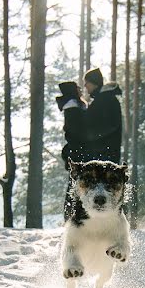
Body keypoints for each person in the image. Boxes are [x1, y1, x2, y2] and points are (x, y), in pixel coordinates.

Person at [56, 81, 88, 221]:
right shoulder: (73, 108)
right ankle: (70, 218)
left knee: (74, 185)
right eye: (78, 88)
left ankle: (71, 217)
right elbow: (76, 133)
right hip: (77, 153)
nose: (81, 90)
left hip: (75, 152)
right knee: (75, 186)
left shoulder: (75, 106)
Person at [82, 68, 123, 163]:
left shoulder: (106, 100)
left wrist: (90, 136)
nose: (85, 85)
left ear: (93, 82)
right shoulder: (102, 99)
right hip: (103, 155)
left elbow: (110, 125)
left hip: (104, 156)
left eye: (87, 82)